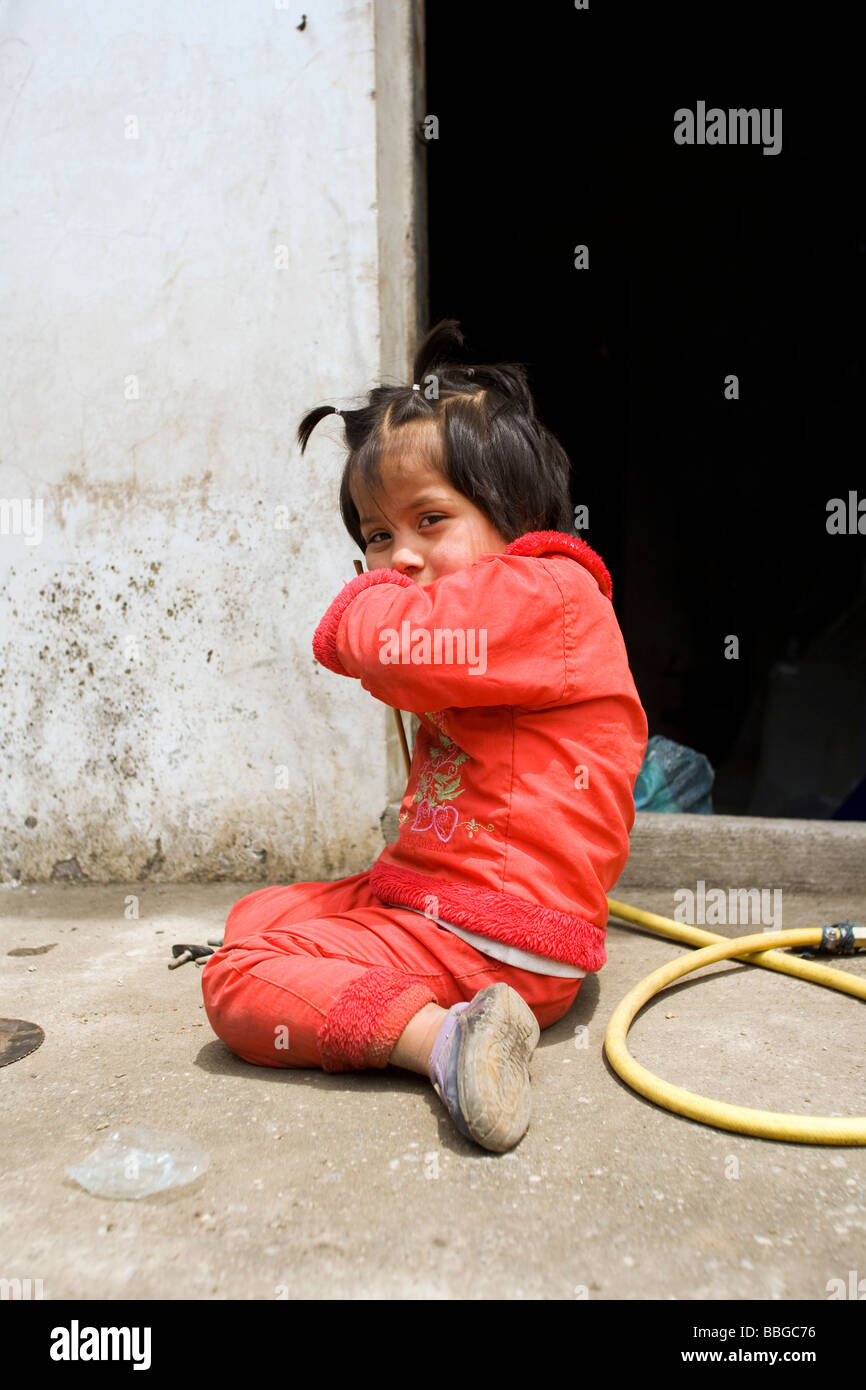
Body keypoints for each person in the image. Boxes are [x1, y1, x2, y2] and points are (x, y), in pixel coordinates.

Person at [201, 319, 648, 1152]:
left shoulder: (550, 595)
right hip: (452, 905)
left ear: (516, 518)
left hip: (499, 935)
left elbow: (381, 644)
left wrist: (361, 608)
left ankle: (448, 1041)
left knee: (239, 980)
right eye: (377, 535)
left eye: (429, 520)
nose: (396, 558)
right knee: (255, 915)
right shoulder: (505, 610)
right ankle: (435, 1002)